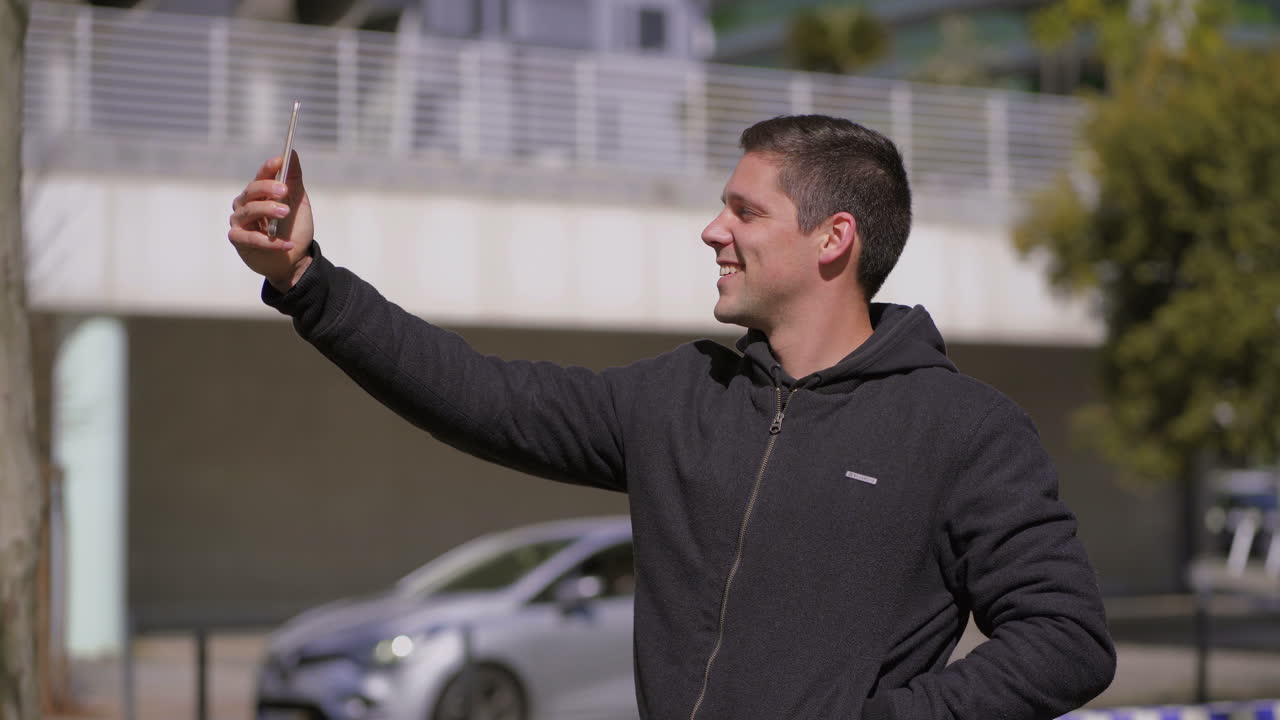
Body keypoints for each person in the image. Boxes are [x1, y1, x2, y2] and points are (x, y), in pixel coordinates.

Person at [228, 115, 1115, 719]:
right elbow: (479, 394)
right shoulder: (680, 396)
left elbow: (1066, 637)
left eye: (744, 210)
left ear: (832, 239)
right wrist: (308, 282)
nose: (711, 231)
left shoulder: (963, 428)